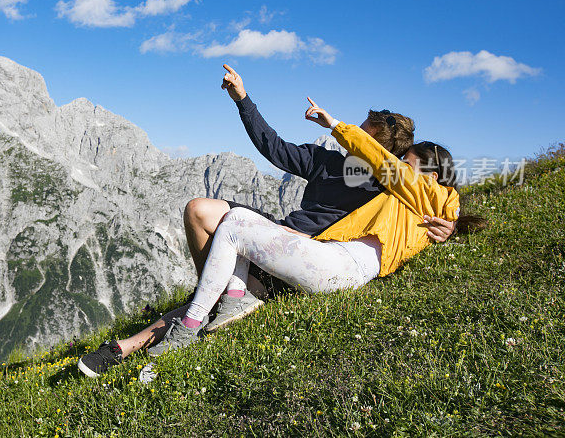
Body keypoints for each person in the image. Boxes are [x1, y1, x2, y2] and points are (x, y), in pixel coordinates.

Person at [77, 67, 455, 377]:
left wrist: (449, 227)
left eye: (363, 131)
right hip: (277, 232)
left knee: (228, 243)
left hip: (300, 252)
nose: (353, 135)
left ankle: (128, 345)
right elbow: (272, 147)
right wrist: (242, 99)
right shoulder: (325, 161)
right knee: (198, 210)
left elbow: (430, 203)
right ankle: (219, 293)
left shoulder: (386, 188)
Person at [142, 96, 460, 355]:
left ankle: (196, 323)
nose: (400, 170)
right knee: (221, 217)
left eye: (408, 166)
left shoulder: (405, 189)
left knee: (236, 222)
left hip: (331, 265)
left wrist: (335, 124)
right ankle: (223, 304)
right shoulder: (387, 192)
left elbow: (391, 171)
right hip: (314, 251)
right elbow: (276, 148)